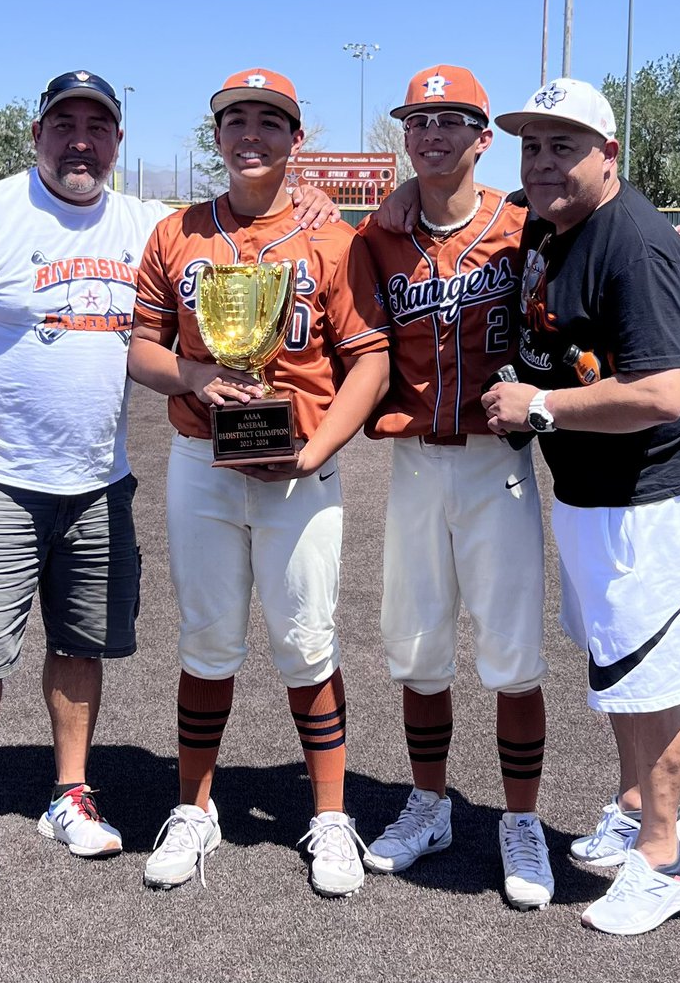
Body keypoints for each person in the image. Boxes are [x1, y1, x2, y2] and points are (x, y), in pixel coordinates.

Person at [0, 69, 335, 886]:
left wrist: (306, 193)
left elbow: (241, 222)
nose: (79, 141)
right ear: (37, 136)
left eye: (96, 127)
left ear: (116, 142)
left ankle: (71, 791)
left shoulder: (145, 223)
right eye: (63, 124)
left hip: (99, 479)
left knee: (80, 644)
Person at [128, 68, 390, 899]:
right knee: (207, 641)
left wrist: (315, 457)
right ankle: (195, 809)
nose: (251, 134)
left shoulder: (336, 240)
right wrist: (194, 377)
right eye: (235, 119)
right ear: (217, 136)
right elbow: (140, 348)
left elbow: (370, 361)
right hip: (203, 463)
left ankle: (330, 817)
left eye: (269, 121)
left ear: (295, 140)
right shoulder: (177, 232)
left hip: (299, 471)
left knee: (308, 643)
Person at [482, 77, 680, 936]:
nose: (542, 163)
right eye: (531, 146)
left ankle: (665, 858)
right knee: (618, 666)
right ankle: (631, 810)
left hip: (642, 499)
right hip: (589, 492)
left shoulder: (635, 244)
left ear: (607, 155)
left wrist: (539, 407)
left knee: (650, 681)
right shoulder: (547, 216)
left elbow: (660, 392)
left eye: (563, 147)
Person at [357, 65, 554, 910]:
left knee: (512, 656)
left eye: (451, 120)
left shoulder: (526, 224)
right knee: (417, 650)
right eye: (418, 121)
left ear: (483, 137)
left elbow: (611, 229)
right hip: (413, 466)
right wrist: (388, 201)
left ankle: (521, 821)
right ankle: (431, 805)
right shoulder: (381, 235)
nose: (432, 133)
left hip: (496, 463)